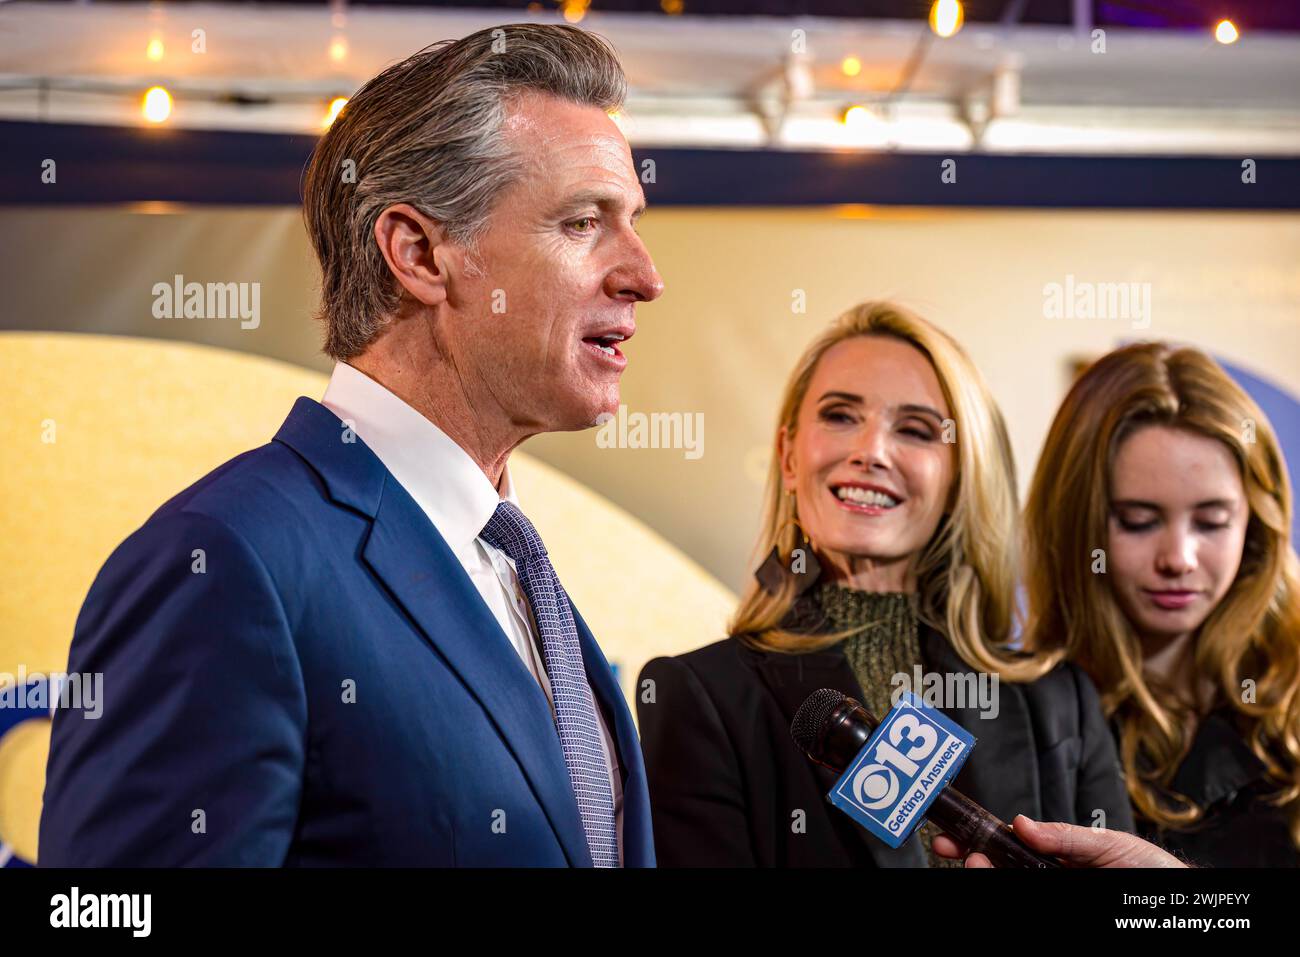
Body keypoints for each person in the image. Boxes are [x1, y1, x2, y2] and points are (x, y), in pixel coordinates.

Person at [39, 24, 663, 867]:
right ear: (420, 253)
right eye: (585, 221)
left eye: (633, 222)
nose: (644, 275)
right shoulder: (223, 561)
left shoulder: (511, 561)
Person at [636, 301, 1133, 867]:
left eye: (916, 430)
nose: (870, 451)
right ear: (789, 456)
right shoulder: (699, 695)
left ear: (960, 477)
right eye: (840, 416)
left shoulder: (1059, 700)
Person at [1021, 342, 1300, 867]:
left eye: (1213, 521)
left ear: (1256, 524)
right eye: (1138, 520)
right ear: (1075, 523)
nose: (1179, 558)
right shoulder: (1026, 720)